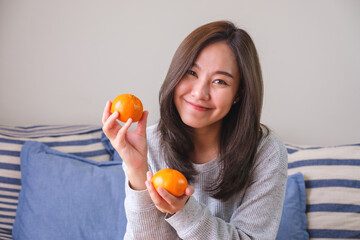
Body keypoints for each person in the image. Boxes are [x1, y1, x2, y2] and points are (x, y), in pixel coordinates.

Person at [102, 20, 288, 240]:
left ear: (239, 93)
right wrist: (136, 169)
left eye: (220, 81)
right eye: (191, 72)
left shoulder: (266, 152)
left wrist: (184, 211)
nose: (200, 93)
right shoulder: (148, 142)